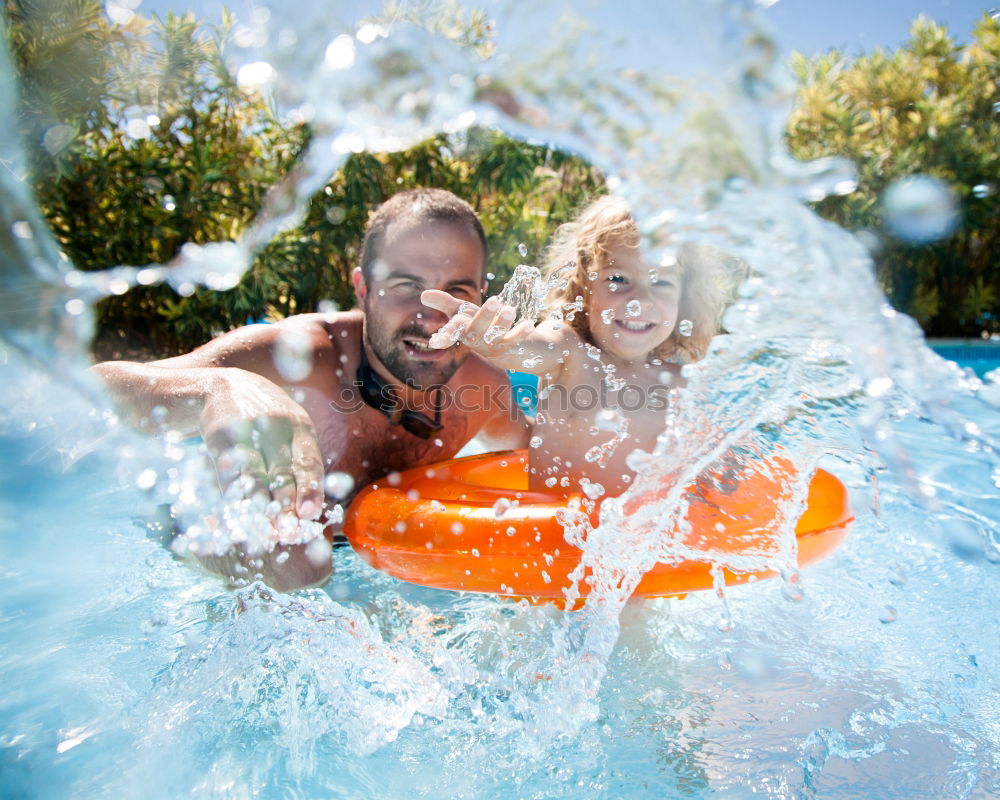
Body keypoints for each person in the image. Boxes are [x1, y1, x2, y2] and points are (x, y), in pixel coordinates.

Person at [93, 188, 529, 590]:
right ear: (364, 289)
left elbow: (548, 462)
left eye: (456, 291)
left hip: (372, 572)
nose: (433, 317)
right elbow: (98, 390)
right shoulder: (298, 358)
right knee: (297, 561)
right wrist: (219, 388)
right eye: (406, 286)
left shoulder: (483, 386)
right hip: (200, 561)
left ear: (481, 296)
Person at [422, 195, 735, 497]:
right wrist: (498, 345)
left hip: (631, 543)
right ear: (584, 287)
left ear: (685, 298)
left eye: (661, 283)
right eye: (618, 279)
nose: (640, 300)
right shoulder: (571, 350)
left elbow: (707, 474)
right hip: (553, 539)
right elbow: (533, 348)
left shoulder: (682, 385)